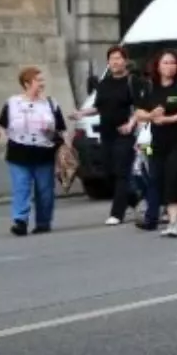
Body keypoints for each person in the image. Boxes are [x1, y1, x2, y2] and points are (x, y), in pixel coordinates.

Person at [0, 67, 70, 236]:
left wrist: (66, 151)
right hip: (18, 153)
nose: (42, 84)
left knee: (45, 191)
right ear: (27, 83)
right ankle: (20, 221)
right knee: (21, 188)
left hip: (44, 153)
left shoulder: (51, 104)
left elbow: (62, 130)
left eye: (42, 80)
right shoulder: (13, 103)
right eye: (38, 80)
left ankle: (43, 222)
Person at [133, 51, 177, 237]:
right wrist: (151, 115)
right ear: (158, 66)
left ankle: (174, 221)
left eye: (173, 63)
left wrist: (170, 119)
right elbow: (139, 112)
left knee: (174, 174)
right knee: (157, 176)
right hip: (157, 140)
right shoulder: (150, 87)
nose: (169, 66)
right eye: (165, 63)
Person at [71, 45, 143, 226]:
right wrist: (82, 113)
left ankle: (116, 213)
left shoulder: (132, 81)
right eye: (112, 59)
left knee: (121, 173)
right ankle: (135, 200)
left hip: (125, 134)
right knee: (109, 172)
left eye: (119, 58)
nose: (115, 62)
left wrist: (131, 123)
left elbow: (141, 108)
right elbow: (99, 107)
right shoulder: (104, 83)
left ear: (125, 61)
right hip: (106, 133)